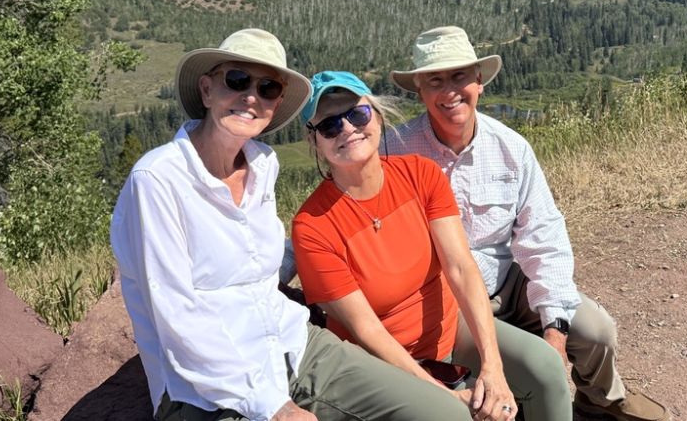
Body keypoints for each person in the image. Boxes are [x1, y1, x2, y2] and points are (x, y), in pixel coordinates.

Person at [111, 29, 476, 421]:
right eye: (237, 80)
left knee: (444, 415)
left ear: (276, 103)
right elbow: (177, 319)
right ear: (206, 89)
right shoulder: (158, 180)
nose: (251, 96)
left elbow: (256, 264)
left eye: (267, 88)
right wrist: (275, 407)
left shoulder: (262, 166)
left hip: (293, 346)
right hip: (206, 390)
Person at [385, 26, 672, 421]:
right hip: (447, 300)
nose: (450, 90)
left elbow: (544, 238)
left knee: (596, 331)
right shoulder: (392, 151)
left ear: (479, 82)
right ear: (420, 90)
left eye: (459, 77)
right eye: (436, 80)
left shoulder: (511, 148)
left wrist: (554, 330)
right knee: (534, 367)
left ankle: (602, 399)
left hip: (508, 281)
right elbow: (336, 213)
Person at [290, 71, 571, 421]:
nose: (347, 129)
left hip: (447, 327)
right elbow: (367, 331)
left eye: (357, 114)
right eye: (329, 126)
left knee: (545, 368)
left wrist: (493, 367)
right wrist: (442, 395)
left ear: (376, 115)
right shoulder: (313, 225)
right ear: (315, 142)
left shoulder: (420, 174)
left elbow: (460, 267)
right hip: (379, 361)